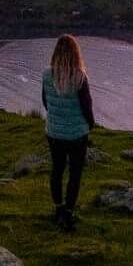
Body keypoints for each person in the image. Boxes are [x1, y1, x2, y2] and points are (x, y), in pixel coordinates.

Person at [39, 34, 97, 229]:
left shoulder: (47, 74)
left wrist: (56, 119)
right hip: (76, 134)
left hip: (54, 133)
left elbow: (46, 102)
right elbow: (86, 106)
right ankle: (69, 212)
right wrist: (90, 125)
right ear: (75, 53)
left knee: (57, 170)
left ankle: (58, 208)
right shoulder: (80, 77)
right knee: (75, 172)